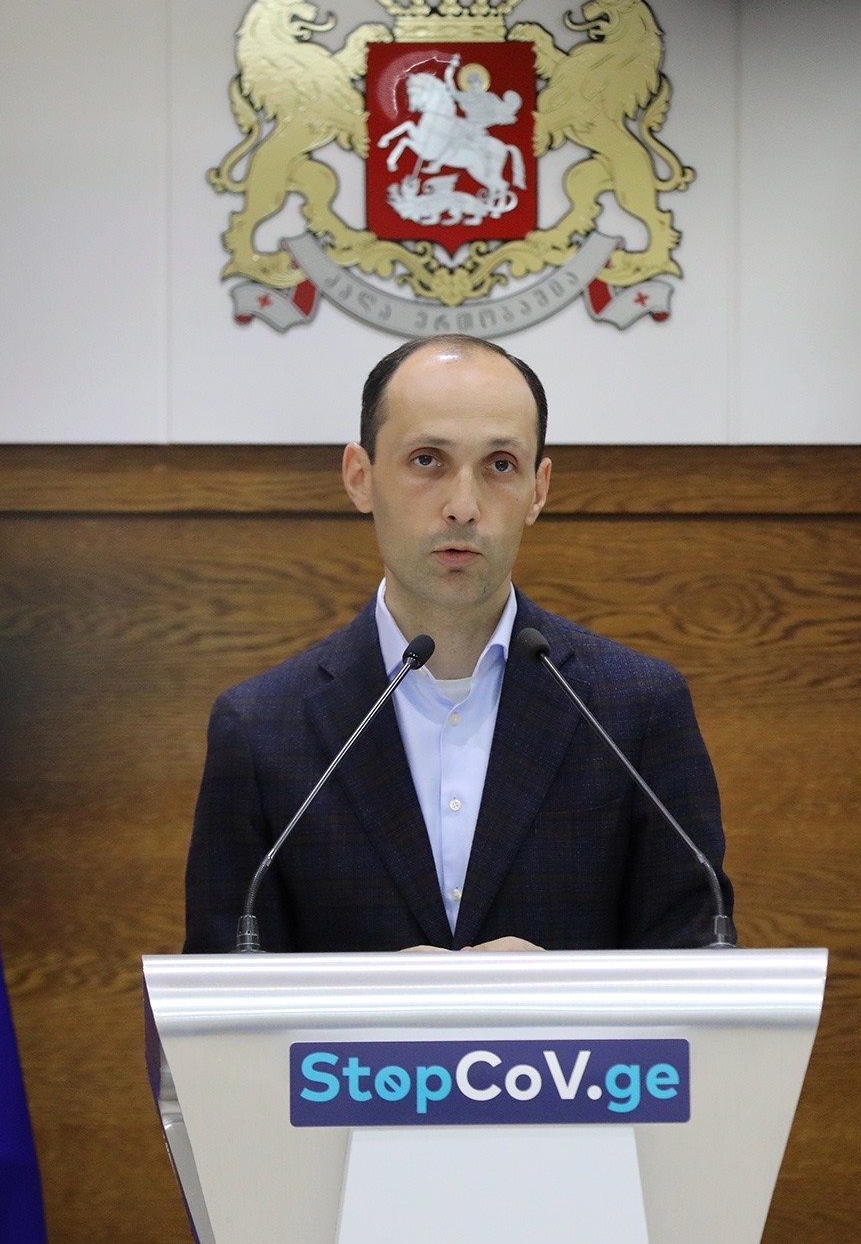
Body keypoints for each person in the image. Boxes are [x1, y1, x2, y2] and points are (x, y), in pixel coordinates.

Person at [182, 336, 732, 953]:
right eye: (427, 460)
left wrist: (561, 994)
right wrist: (371, 998)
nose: (464, 507)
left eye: (501, 465)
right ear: (360, 478)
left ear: (538, 489)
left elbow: (698, 968)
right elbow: (219, 990)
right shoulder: (261, 729)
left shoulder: (636, 710)